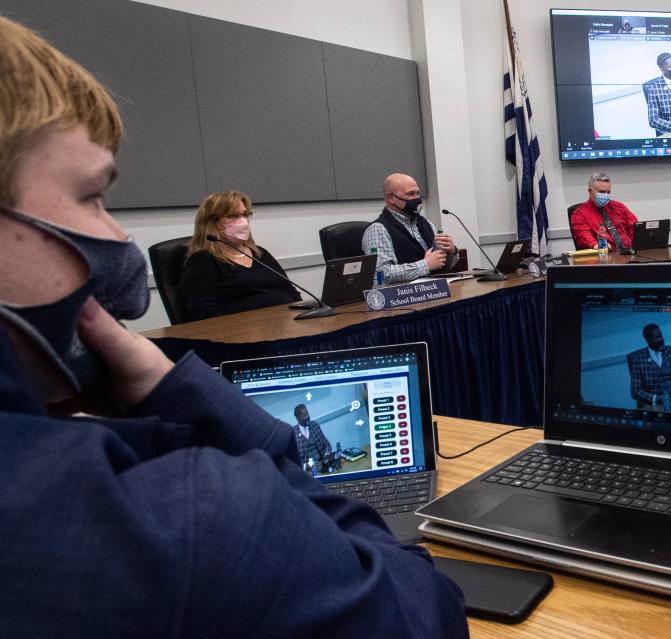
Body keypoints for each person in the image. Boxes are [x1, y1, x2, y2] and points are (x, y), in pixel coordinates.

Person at [0, 16, 467, 637]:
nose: (117, 238)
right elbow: (424, 610)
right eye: (91, 198)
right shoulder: (189, 519)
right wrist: (209, 414)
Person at [178, 191, 301, 321]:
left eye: (245, 214)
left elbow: (291, 292)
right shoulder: (203, 260)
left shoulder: (259, 253)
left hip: (285, 324)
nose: (242, 221)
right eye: (233, 215)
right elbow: (203, 312)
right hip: (243, 334)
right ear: (212, 222)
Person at [361, 173, 458, 284]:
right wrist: (425, 265)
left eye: (418, 193)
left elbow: (442, 265)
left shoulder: (426, 223)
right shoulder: (378, 230)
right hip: (403, 297)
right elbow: (381, 273)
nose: (417, 199)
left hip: (434, 290)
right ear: (391, 198)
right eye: (411, 194)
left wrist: (451, 252)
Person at [627, 324, 671, 409]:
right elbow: (635, 391)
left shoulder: (670, 352)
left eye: (661, 336)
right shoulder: (639, 360)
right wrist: (657, 398)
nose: (661, 340)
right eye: (656, 338)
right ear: (647, 340)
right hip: (656, 404)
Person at [570, 172, 638, 250]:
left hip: (629, 252)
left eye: (608, 192)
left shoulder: (619, 207)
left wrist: (637, 243)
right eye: (602, 192)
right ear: (590, 191)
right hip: (605, 255)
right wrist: (599, 245)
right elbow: (583, 235)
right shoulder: (579, 214)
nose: (606, 195)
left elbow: (635, 228)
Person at [293, 404, 335, 472]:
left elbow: (327, 444)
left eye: (307, 414)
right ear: (298, 418)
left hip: (323, 465)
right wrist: (306, 466)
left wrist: (326, 455)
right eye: (304, 415)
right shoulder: (293, 434)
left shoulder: (314, 425)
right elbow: (292, 461)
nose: (308, 417)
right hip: (306, 472)